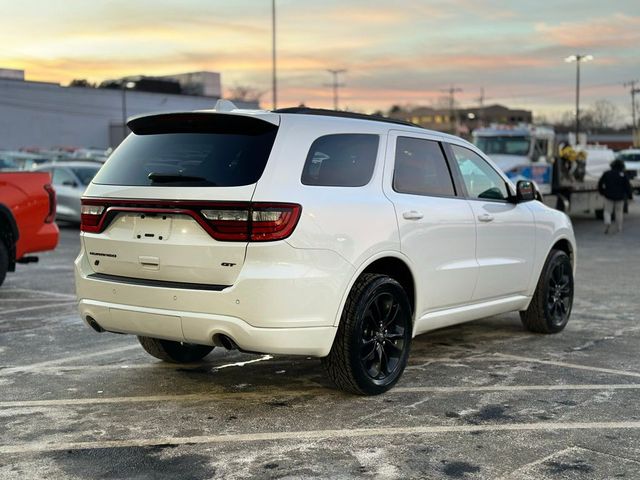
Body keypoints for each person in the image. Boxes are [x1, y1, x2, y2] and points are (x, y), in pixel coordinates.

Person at [598, 159, 633, 234]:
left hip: (608, 195)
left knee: (607, 211)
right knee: (619, 212)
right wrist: (630, 196)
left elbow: (600, 183)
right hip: (620, 197)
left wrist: (602, 192)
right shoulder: (623, 175)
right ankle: (619, 227)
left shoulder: (607, 173)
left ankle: (608, 222)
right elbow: (628, 186)